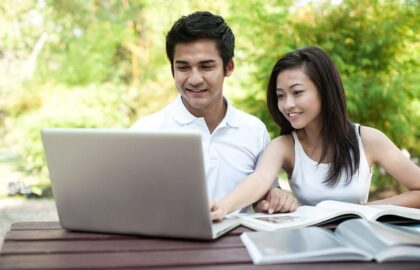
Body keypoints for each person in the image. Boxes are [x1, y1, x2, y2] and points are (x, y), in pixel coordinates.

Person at [211, 46, 420, 220]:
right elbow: (260, 179)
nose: (287, 104)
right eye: (280, 96)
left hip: (361, 240)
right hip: (308, 242)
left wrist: (364, 210)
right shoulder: (284, 146)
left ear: (324, 91)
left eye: (297, 92)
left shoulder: (367, 139)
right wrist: (222, 207)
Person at [131, 11, 295, 213]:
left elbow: (266, 194)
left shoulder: (254, 131)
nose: (195, 79)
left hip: (238, 243)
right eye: (183, 67)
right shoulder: (146, 131)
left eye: (206, 66)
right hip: (171, 242)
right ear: (172, 69)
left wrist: (275, 197)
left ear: (229, 67)